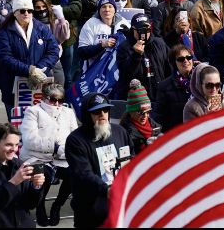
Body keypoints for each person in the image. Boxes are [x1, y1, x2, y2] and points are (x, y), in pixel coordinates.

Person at [65, 92, 134, 228]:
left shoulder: (120, 132)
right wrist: (107, 190)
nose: (102, 114)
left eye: (105, 110)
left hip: (120, 204)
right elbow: (83, 173)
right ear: (87, 115)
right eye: (96, 111)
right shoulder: (75, 140)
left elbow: (130, 159)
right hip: (91, 209)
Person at [0, 0, 60, 116]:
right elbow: (5, 57)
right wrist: (29, 70)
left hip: (39, 86)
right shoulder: (4, 31)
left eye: (29, 10)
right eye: (22, 10)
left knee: (40, 123)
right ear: (15, 12)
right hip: (12, 87)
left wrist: (39, 70)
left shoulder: (42, 28)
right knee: (17, 125)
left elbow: (53, 51)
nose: (26, 13)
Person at [20, 84, 78, 227]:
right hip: (37, 157)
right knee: (42, 174)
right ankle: (40, 207)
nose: (57, 104)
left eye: (60, 100)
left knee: (76, 174)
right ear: (44, 98)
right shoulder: (33, 111)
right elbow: (29, 140)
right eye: (53, 100)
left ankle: (57, 205)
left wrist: (63, 151)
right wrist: (55, 147)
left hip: (62, 158)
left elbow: (75, 137)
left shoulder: (68, 112)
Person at [0, 124, 44, 228]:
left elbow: (30, 204)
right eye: (9, 145)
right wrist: (13, 182)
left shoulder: (18, 164)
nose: (14, 149)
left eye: (16, 144)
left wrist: (36, 186)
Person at [116, 13, 169, 99]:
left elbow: (169, 69)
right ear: (133, 29)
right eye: (140, 30)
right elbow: (125, 75)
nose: (143, 33)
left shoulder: (159, 43)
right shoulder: (124, 47)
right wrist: (136, 55)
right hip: (136, 98)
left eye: (147, 29)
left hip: (158, 96)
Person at [119, 79, 161, 155]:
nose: (145, 116)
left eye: (148, 112)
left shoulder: (154, 125)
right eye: (141, 112)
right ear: (131, 112)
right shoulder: (124, 132)